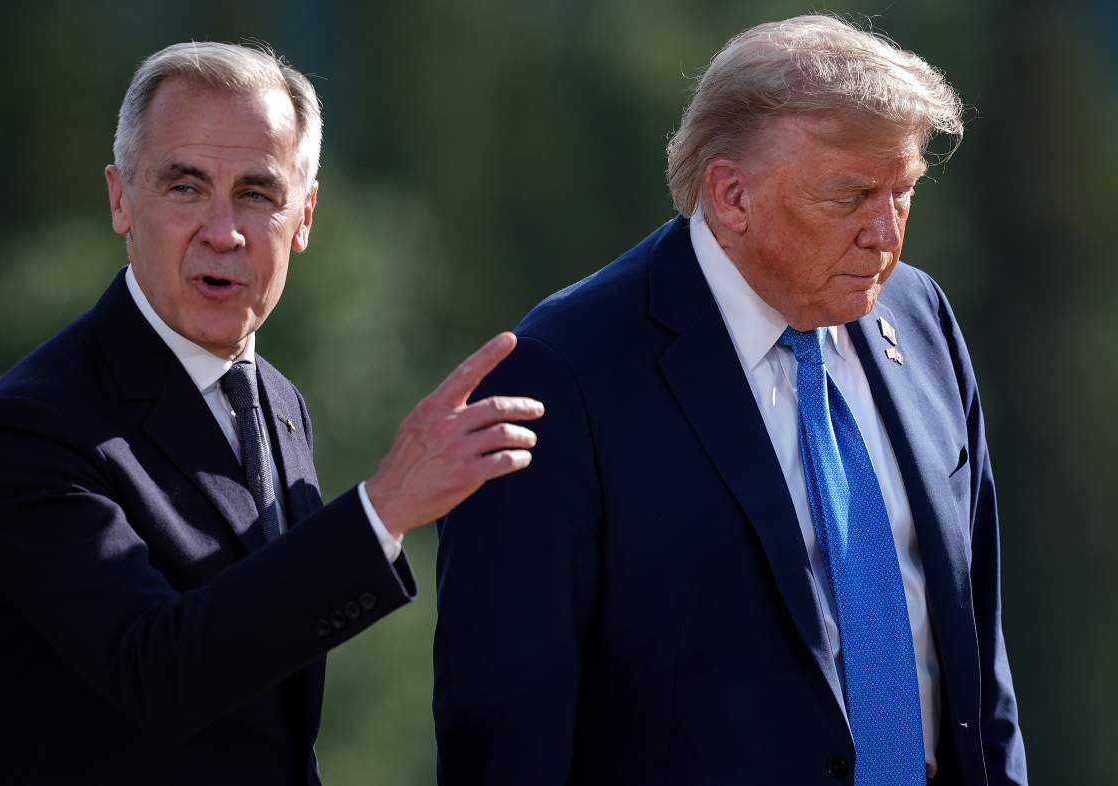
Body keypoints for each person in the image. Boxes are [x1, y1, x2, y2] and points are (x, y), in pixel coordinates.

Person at [434, 15, 1026, 786]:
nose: (885, 233)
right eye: (850, 196)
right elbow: (504, 733)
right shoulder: (560, 374)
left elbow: (979, 659)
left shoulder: (919, 318)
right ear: (732, 195)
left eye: (902, 191)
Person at [0, 41, 542, 785]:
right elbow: (157, 670)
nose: (223, 231)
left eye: (257, 194)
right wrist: (381, 509)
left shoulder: (278, 401)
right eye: (186, 187)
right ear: (121, 199)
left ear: (305, 215)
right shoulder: (31, 428)